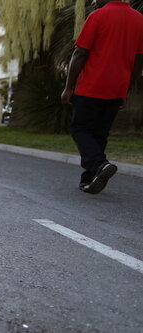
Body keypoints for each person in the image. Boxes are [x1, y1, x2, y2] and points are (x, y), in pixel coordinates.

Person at [61, 0, 143, 194]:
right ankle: (89, 179)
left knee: (80, 128)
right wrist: (126, 90)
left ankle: (99, 165)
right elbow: (139, 61)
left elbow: (80, 52)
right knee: (99, 133)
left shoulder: (97, 16)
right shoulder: (140, 20)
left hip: (91, 86)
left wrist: (68, 87)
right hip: (117, 88)